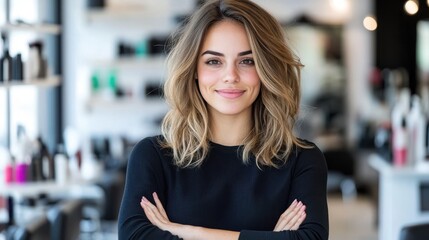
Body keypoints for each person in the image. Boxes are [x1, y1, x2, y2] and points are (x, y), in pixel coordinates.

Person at [118, 0, 329, 239]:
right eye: (213, 61)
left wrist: (189, 232)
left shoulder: (303, 161)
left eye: (247, 61)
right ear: (194, 70)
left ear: (267, 69)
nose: (230, 76)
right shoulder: (152, 156)